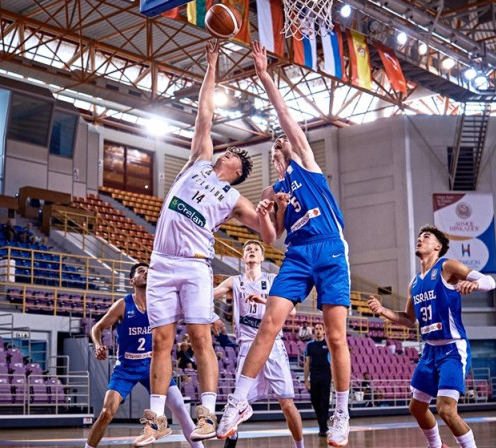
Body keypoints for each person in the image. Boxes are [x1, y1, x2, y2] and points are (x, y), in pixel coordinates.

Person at [218, 40, 353, 447]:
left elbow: (285, 117)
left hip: (328, 247)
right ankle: (239, 401)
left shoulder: (308, 166)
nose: (286, 148)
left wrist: (264, 77)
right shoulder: (275, 190)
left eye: (287, 145)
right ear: (276, 157)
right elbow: (271, 239)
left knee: (335, 337)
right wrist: (264, 214)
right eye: (280, 149)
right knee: (268, 326)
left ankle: (341, 411)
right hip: (296, 254)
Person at [143, 39, 272, 442]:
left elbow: (269, 236)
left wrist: (269, 216)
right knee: (161, 341)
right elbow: (205, 111)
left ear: (237, 170)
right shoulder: (200, 158)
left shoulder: (235, 198)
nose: (226, 151)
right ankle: (156, 420)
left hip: (197, 263)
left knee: (200, 338)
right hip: (161, 261)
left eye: (233, 154)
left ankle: (209, 414)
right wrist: (212, 63)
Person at [367, 225, 496, 448]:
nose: (420, 239)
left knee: (446, 409)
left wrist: (474, 284)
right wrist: (383, 311)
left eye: (426, 237)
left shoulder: (447, 266)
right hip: (429, 350)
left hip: (452, 349)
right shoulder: (414, 283)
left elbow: (490, 282)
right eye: (418, 237)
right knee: (417, 408)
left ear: (438, 246)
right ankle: (436, 446)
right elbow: (409, 319)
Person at [85, 263, 203, 448]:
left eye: (149, 271)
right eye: (141, 271)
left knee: (179, 407)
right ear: (132, 281)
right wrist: (98, 344)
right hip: (126, 368)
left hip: (152, 365)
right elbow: (97, 327)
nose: (146, 273)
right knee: (107, 412)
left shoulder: (160, 303)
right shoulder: (123, 304)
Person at [212, 240, 304, 448]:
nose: (252, 251)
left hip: (273, 345)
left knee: (287, 404)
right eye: (248, 249)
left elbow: (293, 311)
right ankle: (232, 438)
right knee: (239, 402)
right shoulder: (234, 282)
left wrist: (266, 301)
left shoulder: (273, 280)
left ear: (262, 258)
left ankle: (300, 446)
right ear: (243, 258)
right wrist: (211, 316)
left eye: (256, 250)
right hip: (247, 345)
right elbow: (206, 296)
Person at [303, 323, 332, 436]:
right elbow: (307, 363)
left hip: (326, 374)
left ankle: (323, 427)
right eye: (316, 329)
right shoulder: (310, 345)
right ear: (314, 331)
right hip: (314, 375)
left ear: (324, 331)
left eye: (320, 329)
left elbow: (333, 361)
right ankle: (322, 425)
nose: (318, 331)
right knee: (315, 401)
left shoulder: (327, 344)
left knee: (324, 401)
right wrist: (306, 379)